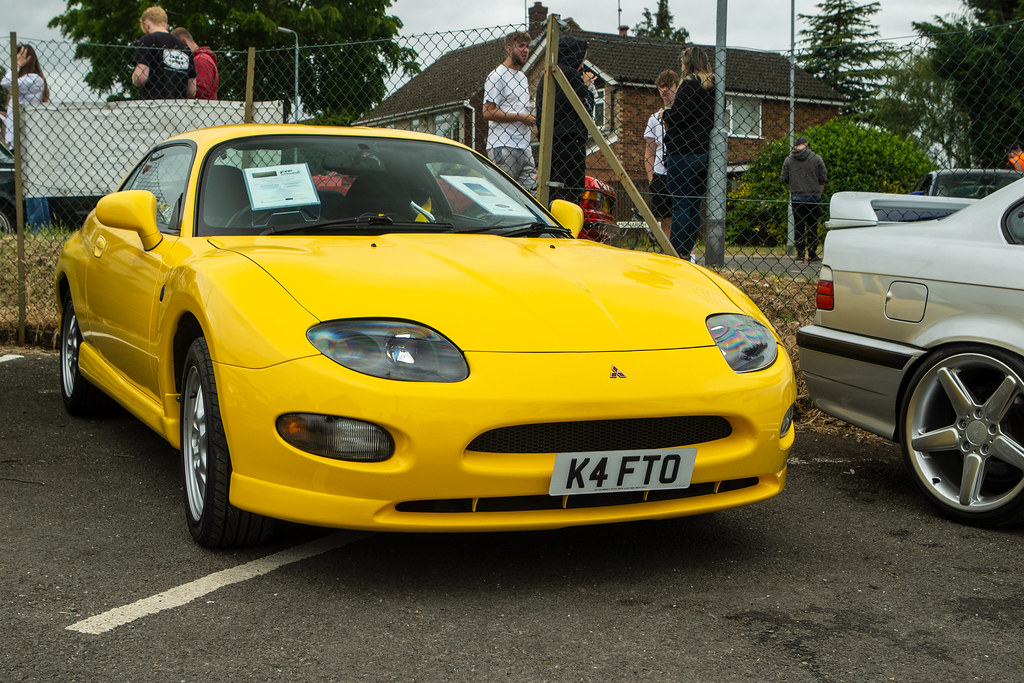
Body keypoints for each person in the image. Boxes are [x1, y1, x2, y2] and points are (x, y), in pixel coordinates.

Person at [663, 46, 714, 262]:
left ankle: (675, 251)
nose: (681, 66)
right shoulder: (711, 86)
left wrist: (667, 114)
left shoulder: (689, 85)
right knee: (693, 204)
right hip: (703, 151)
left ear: (689, 63)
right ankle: (687, 250)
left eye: (683, 62)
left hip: (683, 151)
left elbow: (680, 115)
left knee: (681, 203)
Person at [535, 35, 594, 205]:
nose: (582, 65)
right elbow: (586, 109)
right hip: (570, 143)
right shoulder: (570, 75)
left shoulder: (549, 75)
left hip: (552, 144)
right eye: (582, 59)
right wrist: (587, 87)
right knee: (570, 195)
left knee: (553, 195)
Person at [1, 44, 51, 230]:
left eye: (20, 57)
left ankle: (39, 226)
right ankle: (40, 225)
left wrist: (16, 65)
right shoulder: (24, 81)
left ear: (27, 58)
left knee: (31, 184)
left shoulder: (33, 79)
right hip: (20, 138)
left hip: (27, 139)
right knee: (30, 183)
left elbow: (5, 83)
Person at [483, 31, 536, 191]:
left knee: (529, 196)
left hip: (524, 145)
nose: (526, 50)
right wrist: (521, 117)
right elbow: (488, 112)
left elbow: (517, 106)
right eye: (521, 46)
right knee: (504, 194)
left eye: (527, 46)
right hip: (503, 145)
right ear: (508, 49)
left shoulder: (522, 77)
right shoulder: (496, 76)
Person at [643, 70, 678, 242]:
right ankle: (668, 255)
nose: (665, 90)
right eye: (661, 87)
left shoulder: (683, 115)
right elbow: (649, 150)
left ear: (677, 87)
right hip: (661, 174)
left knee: (683, 216)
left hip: (680, 172)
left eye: (669, 86)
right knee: (666, 219)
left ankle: (688, 256)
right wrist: (651, 178)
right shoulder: (653, 119)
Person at [132, 6, 196, 100]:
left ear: (146, 24)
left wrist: (134, 78)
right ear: (166, 24)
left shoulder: (148, 40)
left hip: (153, 105)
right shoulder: (184, 47)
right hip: (179, 108)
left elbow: (141, 77)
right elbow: (192, 90)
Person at [781, 136, 827, 263]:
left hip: (797, 197)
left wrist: (795, 182)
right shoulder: (816, 158)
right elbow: (823, 177)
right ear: (806, 144)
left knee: (799, 225)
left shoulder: (789, 160)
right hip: (814, 197)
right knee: (812, 225)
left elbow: (783, 178)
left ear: (795, 146)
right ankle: (812, 254)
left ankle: (800, 254)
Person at [171, 27, 218, 100]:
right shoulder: (199, 59)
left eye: (177, 49)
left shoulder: (201, 60)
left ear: (184, 42)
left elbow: (201, 93)